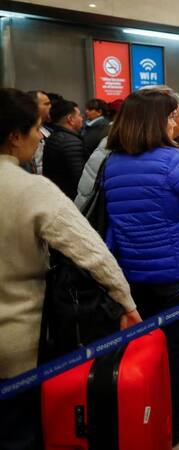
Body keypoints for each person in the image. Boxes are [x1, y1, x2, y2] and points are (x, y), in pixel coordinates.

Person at [0, 87, 141, 450]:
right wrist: (126, 302)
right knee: (22, 432)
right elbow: (92, 251)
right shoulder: (30, 189)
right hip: (18, 347)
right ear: (14, 136)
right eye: (35, 128)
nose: (40, 136)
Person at [104, 89, 179, 450]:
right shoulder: (173, 160)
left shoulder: (114, 162)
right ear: (160, 120)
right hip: (177, 275)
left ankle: (141, 429)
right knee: (174, 357)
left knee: (141, 357)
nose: (178, 122)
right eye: (173, 116)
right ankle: (168, 437)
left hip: (132, 276)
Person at [43, 99, 87, 199]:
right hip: (70, 198)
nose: (82, 119)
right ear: (70, 119)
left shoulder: (54, 136)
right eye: (79, 115)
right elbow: (80, 181)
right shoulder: (71, 142)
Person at [27, 90, 52, 174]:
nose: (51, 107)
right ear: (33, 106)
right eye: (46, 104)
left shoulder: (46, 131)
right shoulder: (25, 132)